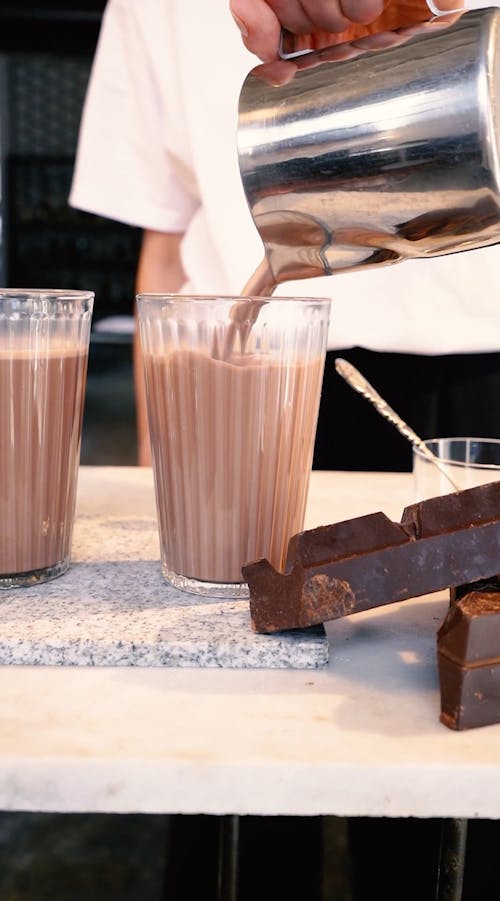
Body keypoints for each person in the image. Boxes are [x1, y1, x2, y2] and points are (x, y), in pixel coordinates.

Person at [69, 1, 500, 896]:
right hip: (240, 377)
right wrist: (168, 471)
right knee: (231, 781)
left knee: (438, 775)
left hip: (470, 394)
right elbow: (164, 235)